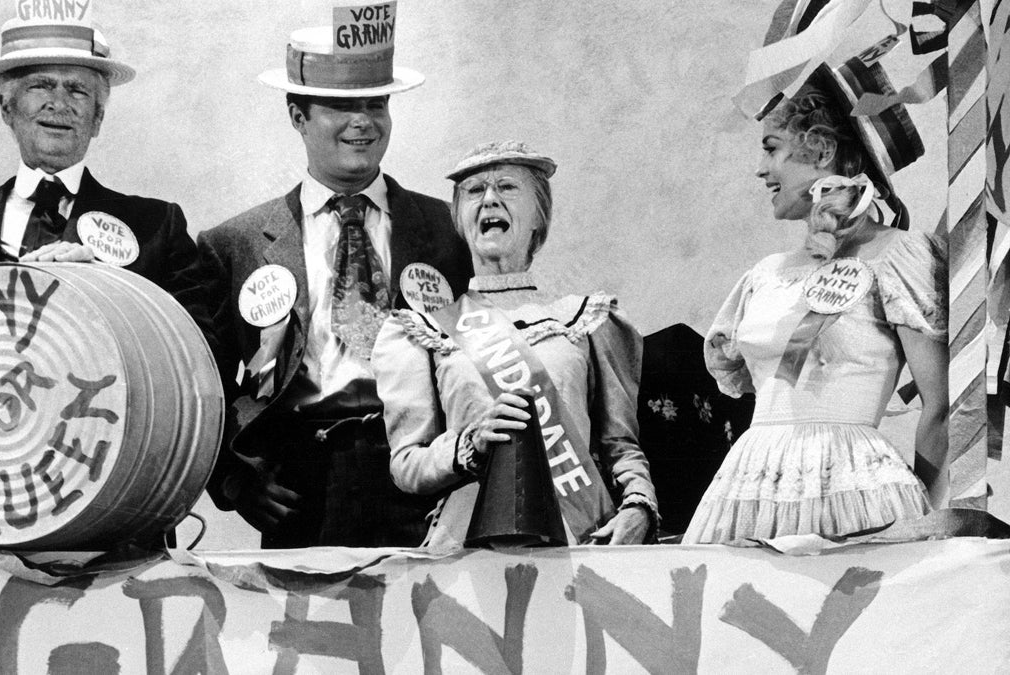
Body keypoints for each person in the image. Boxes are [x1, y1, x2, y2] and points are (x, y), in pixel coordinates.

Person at [0, 13, 211, 541]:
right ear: (6, 107)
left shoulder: (155, 228)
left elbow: (198, 362)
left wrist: (111, 295)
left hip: (113, 513)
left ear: (99, 118)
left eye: (78, 90)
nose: (60, 103)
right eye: (41, 86)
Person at [195, 16, 472, 547]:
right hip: (302, 491)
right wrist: (233, 480)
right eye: (341, 106)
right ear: (298, 115)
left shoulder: (447, 229)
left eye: (376, 104)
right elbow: (202, 381)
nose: (363, 122)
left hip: (428, 478)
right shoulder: (237, 242)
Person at [681, 54, 948, 543]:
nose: (760, 170)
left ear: (822, 149)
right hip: (753, 485)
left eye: (772, 148)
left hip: (855, 486)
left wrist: (930, 525)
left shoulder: (896, 256)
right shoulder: (766, 275)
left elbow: (940, 405)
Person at [372, 141, 658, 547]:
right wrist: (471, 443)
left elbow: (621, 446)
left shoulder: (586, 319)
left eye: (507, 187)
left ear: (539, 216)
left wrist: (638, 506)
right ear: (459, 218)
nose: (490, 199)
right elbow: (407, 466)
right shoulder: (422, 329)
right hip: (469, 547)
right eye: (474, 191)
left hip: (579, 537)